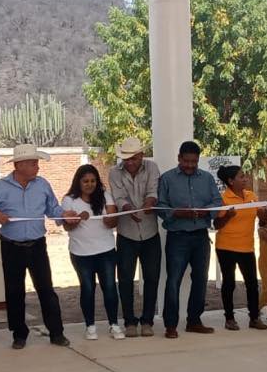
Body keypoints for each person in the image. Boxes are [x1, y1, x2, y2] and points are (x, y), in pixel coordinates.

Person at [0, 144, 80, 349]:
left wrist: (65, 215)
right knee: (14, 291)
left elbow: (53, 209)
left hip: (37, 246)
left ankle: (56, 332)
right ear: (19, 165)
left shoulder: (43, 184)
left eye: (37, 163)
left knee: (46, 289)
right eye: (33, 163)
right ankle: (19, 334)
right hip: (11, 246)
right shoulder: (0, 186)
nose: (37, 167)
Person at [157, 141, 222, 338]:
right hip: (177, 237)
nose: (190, 165)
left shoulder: (207, 178)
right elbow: (160, 206)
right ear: (179, 158)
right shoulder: (167, 179)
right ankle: (170, 325)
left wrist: (207, 211)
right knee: (173, 280)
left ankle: (194, 321)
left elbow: (218, 202)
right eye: (186, 161)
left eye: (194, 162)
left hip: (201, 236)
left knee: (201, 279)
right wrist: (176, 213)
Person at [61, 164, 123, 340]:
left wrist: (108, 218)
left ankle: (114, 324)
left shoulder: (105, 196)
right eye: (85, 181)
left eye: (93, 180)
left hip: (106, 251)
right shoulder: (69, 200)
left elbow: (113, 223)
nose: (90, 184)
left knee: (110, 287)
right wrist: (76, 219)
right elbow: (66, 226)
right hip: (81, 253)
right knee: (87, 288)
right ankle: (90, 326)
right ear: (78, 182)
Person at [108, 136, 161, 337]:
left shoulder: (152, 168)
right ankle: (129, 321)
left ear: (142, 156)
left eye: (134, 158)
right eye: (126, 159)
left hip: (150, 233)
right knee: (125, 279)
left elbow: (153, 190)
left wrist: (149, 203)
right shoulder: (114, 172)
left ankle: (147, 321)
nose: (130, 162)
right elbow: (119, 197)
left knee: (152, 278)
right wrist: (128, 209)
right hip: (126, 233)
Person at [213, 166, 267, 331]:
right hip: (226, 247)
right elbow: (216, 224)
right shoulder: (223, 199)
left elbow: (261, 219)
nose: (245, 179)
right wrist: (228, 216)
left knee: (252, 283)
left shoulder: (252, 196)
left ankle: (254, 317)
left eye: (245, 176)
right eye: (241, 177)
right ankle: (229, 318)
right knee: (229, 283)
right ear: (231, 181)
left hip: (247, 247)